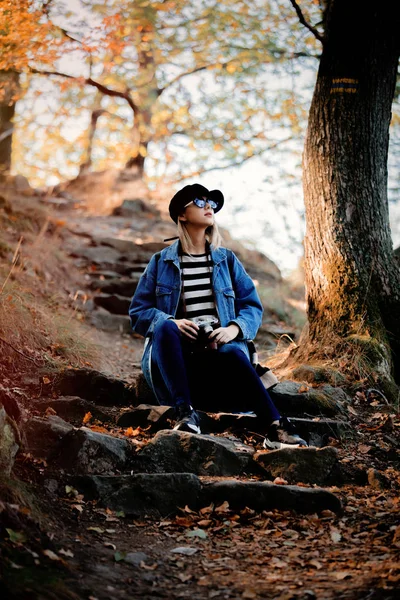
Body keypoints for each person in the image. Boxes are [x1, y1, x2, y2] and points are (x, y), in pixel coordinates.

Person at [128, 183, 308, 449]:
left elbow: (252, 306)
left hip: (220, 363)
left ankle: (275, 426)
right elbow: (138, 312)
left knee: (234, 352)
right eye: (199, 202)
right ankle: (185, 413)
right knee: (165, 326)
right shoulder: (160, 262)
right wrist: (173, 322)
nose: (208, 206)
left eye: (210, 202)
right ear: (181, 214)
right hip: (177, 368)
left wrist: (234, 329)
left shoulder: (226, 260)